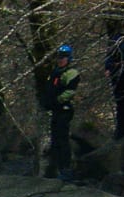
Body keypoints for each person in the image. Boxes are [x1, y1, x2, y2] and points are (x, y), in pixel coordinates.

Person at [42, 44, 80, 181]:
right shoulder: (55, 72)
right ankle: (55, 168)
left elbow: (70, 91)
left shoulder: (71, 73)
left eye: (63, 57)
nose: (60, 60)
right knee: (56, 139)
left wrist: (57, 100)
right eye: (59, 57)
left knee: (63, 139)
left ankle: (66, 169)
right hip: (56, 110)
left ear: (69, 58)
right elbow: (49, 89)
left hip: (65, 109)